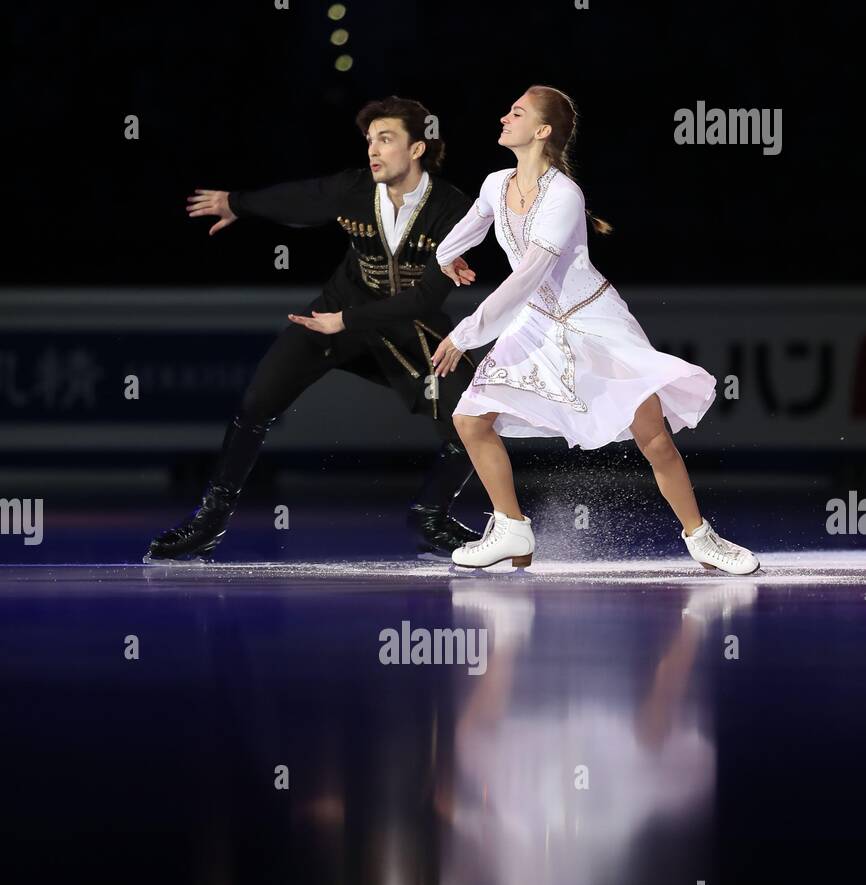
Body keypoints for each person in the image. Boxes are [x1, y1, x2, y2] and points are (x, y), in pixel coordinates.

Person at [430, 86, 760, 575]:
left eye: (516, 112)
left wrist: (466, 332)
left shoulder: (563, 195)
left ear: (542, 131)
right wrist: (444, 255)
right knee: (471, 419)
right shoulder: (496, 183)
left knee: (653, 438)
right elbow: (474, 225)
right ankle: (511, 526)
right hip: (536, 320)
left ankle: (701, 537)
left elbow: (527, 277)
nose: (503, 117)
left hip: (591, 320)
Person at [144, 96, 483, 562]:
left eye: (386, 139)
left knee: (478, 413)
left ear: (418, 148)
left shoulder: (453, 209)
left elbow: (425, 299)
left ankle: (430, 514)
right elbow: (302, 199)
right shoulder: (354, 189)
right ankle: (210, 521)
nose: (373, 150)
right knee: (256, 402)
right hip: (331, 318)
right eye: (369, 140)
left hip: (406, 328)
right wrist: (237, 204)